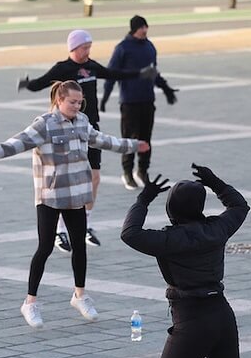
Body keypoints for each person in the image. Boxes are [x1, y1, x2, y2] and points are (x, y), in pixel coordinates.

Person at [0, 80, 149, 328]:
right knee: (45, 248)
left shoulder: (83, 121)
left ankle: (80, 296)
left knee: (79, 247)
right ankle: (30, 302)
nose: (77, 106)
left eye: (79, 102)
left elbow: (103, 140)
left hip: (77, 195)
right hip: (50, 196)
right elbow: (14, 144)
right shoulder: (44, 124)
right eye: (72, 102)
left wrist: (132, 145)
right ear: (59, 100)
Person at [121, 164, 251, 358]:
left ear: (171, 209)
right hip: (222, 314)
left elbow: (130, 233)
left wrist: (143, 199)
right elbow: (239, 206)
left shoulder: (169, 240)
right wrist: (215, 182)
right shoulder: (217, 228)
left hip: (191, 321)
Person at [17, 29, 157, 252]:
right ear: (73, 48)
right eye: (84, 47)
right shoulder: (63, 68)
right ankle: (60, 230)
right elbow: (42, 83)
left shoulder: (91, 66)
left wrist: (141, 73)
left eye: (89, 47)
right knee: (67, 183)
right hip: (66, 133)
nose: (88, 51)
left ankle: (86, 224)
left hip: (89, 130)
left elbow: (114, 73)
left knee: (94, 178)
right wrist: (26, 84)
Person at [101, 15, 179, 191]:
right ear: (134, 29)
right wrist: (105, 96)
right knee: (129, 138)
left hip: (147, 100)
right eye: (142, 27)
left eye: (146, 27)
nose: (145, 30)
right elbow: (112, 73)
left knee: (146, 138)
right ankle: (127, 173)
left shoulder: (150, 47)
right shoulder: (122, 48)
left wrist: (166, 88)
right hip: (129, 102)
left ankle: (142, 171)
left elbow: (153, 72)